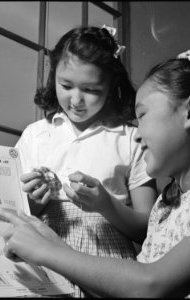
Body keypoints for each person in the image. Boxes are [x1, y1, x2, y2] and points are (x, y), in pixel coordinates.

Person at [0, 48, 190, 298]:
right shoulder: (169, 199)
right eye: (66, 85)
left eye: (143, 115)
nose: (137, 132)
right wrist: (47, 239)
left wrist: (48, 249)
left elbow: (150, 285)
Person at [14, 25, 157, 296]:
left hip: (108, 266)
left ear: (111, 85)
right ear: (53, 75)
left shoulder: (131, 138)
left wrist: (106, 205)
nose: (76, 100)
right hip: (42, 260)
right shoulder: (36, 135)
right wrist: (34, 202)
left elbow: (147, 230)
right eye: (66, 85)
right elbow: (16, 214)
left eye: (91, 89)